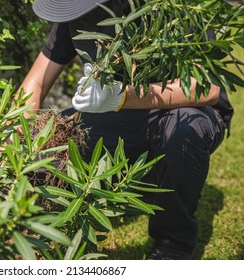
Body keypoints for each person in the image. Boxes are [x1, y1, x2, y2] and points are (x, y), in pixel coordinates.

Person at [20, 0, 234, 259]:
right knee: (51, 137)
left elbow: (206, 87)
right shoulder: (74, 13)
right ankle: (40, 231)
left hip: (184, 111)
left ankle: (173, 244)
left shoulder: (173, 8)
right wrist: (11, 133)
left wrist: (121, 97)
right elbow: (36, 82)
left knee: (183, 136)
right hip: (120, 113)